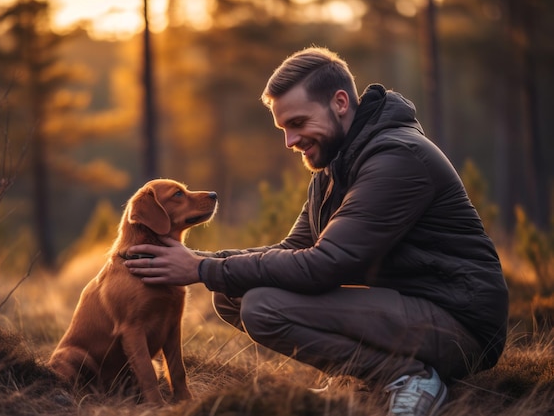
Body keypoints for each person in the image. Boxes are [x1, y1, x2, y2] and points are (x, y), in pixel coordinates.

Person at [125, 47, 509, 416]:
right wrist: (203, 263)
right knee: (231, 294)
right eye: (283, 128)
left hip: (461, 324)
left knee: (261, 306)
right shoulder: (335, 166)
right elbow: (292, 249)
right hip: (406, 307)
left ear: (340, 103)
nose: (290, 141)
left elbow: (324, 266)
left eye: (297, 123)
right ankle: (373, 373)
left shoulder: (396, 159)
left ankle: (409, 377)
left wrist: (199, 270)